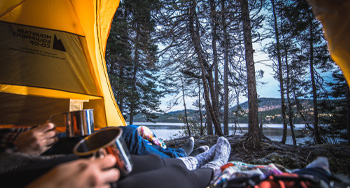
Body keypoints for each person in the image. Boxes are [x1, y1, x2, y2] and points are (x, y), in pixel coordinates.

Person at [0, 136, 231, 188]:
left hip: (17, 168)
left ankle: (191, 159)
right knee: (173, 179)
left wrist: (17, 148)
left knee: (150, 162)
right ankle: (213, 169)